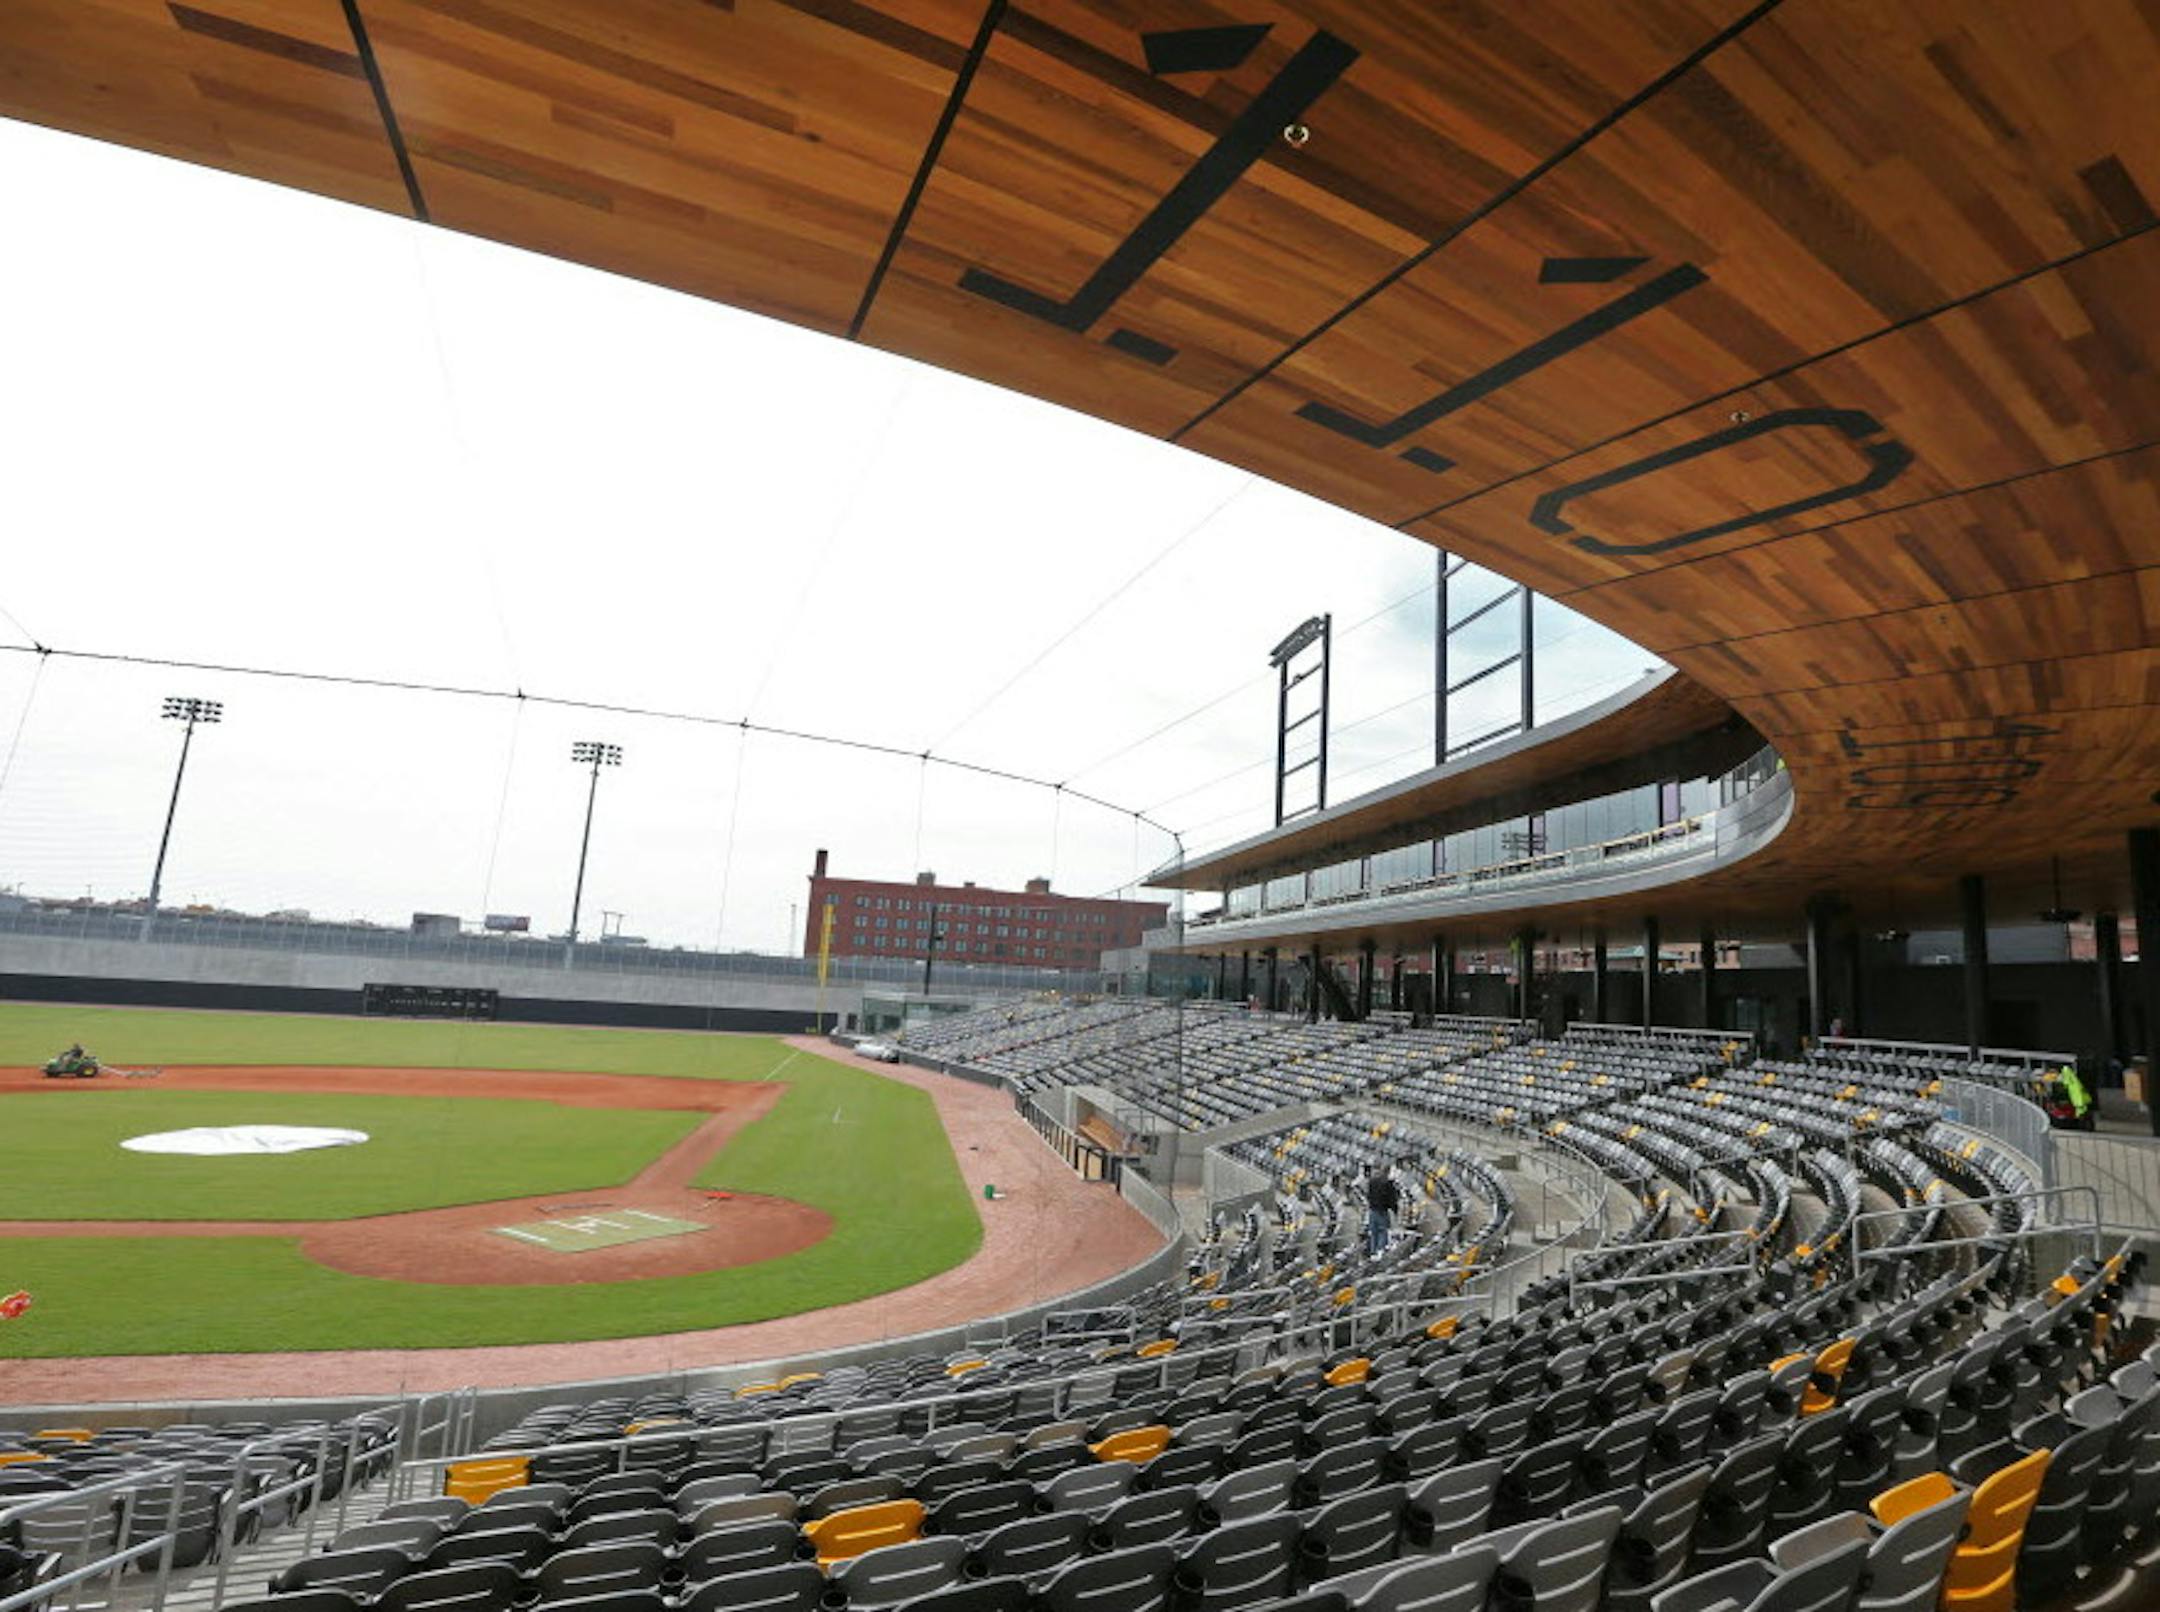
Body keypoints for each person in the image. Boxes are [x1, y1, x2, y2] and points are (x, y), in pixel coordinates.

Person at [1365, 1164, 1400, 1258]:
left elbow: (1368, 1195)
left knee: (1374, 1232)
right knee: (1383, 1232)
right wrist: (1395, 1211)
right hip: (1382, 1211)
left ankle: (1373, 1253)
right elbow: (1392, 1200)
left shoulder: (1372, 1181)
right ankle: (1380, 1251)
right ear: (1388, 1172)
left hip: (1372, 1211)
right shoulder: (1388, 1183)